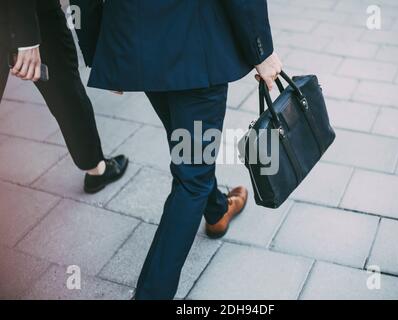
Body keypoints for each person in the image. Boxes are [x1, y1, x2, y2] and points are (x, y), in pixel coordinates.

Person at [73, 0, 282, 299]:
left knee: (187, 146)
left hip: (137, 40)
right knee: (193, 177)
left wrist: (100, 50)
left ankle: (217, 211)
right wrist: (262, 49)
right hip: (196, 45)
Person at [0, 0, 128, 193]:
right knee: (65, 89)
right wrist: (26, 39)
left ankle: (95, 166)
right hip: (35, 13)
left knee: (65, 89)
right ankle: (96, 169)